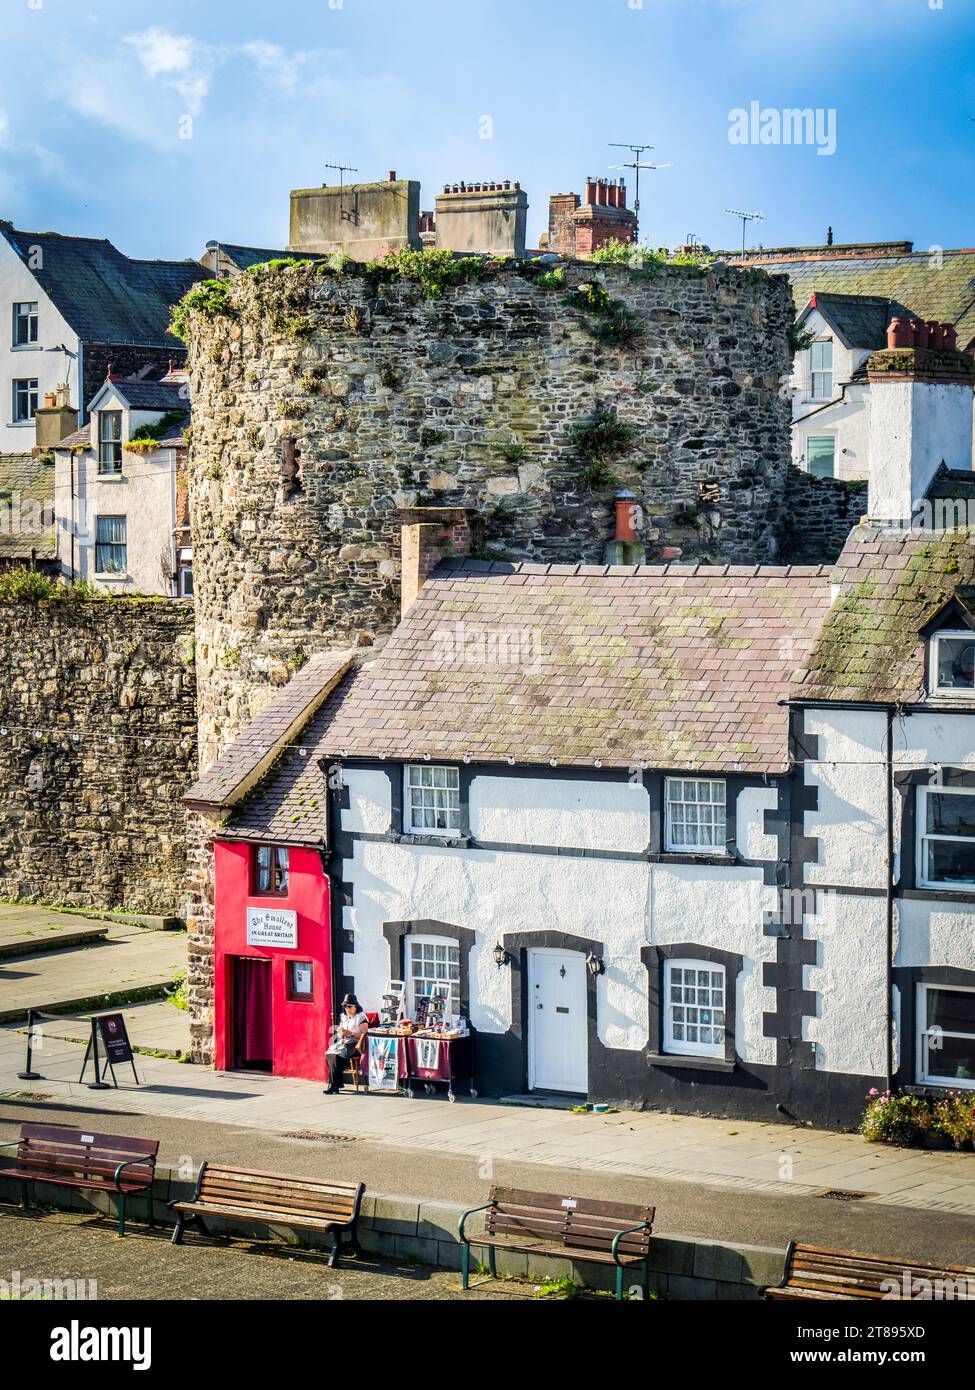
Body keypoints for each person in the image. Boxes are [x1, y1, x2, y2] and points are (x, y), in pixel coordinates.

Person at [324, 994, 369, 1093]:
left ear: (355, 1006)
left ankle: (334, 1086)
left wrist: (351, 1034)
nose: (347, 1009)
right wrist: (341, 1033)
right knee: (329, 1054)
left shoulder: (361, 1017)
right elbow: (340, 1029)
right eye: (345, 1006)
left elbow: (363, 1035)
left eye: (349, 1006)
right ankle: (337, 1083)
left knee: (337, 1057)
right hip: (344, 1042)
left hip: (356, 1044)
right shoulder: (344, 1017)